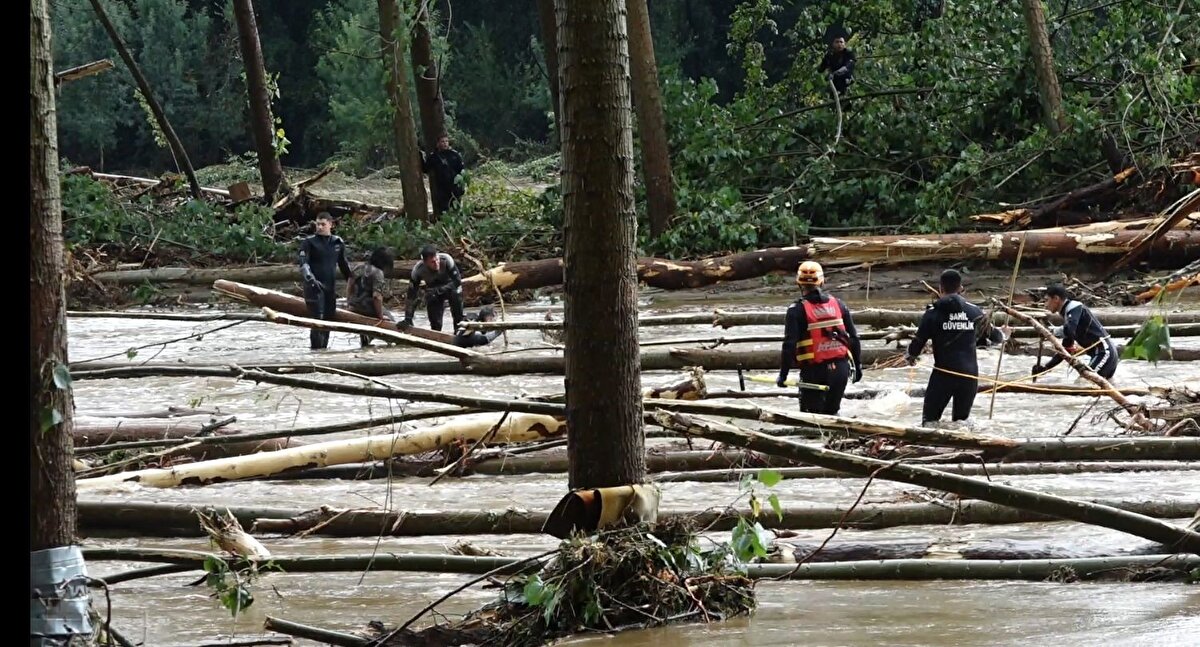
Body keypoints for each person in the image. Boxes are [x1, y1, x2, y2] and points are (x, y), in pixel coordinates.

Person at [904, 269, 1006, 425]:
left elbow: (917, 343)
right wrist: (1005, 334)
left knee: (929, 421)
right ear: (961, 288)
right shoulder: (974, 311)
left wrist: (911, 356)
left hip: (943, 376)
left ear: (940, 288)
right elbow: (995, 337)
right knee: (962, 422)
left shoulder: (932, 314)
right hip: (970, 376)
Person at [776, 261, 863, 415]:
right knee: (831, 416)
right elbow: (854, 338)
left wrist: (783, 375)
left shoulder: (796, 310)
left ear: (798, 282)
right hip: (841, 370)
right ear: (822, 281)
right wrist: (858, 366)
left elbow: (789, 345)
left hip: (813, 372)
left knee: (811, 419)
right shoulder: (839, 304)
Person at [1032, 284, 1119, 380]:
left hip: (1104, 353)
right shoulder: (1068, 315)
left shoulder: (1074, 307)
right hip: (1102, 355)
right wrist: (1046, 368)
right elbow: (1065, 350)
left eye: (1046, 300)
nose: (1045, 305)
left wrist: (1049, 331)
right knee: (1088, 387)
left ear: (1056, 299)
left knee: (1084, 383)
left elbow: (1069, 330)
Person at [298, 212, 352, 350]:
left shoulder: (338, 242)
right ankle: (315, 351)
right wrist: (310, 278)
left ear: (331, 225)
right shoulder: (309, 242)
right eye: (318, 224)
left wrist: (353, 281)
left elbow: (344, 265)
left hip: (330, 287)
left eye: (323, 224)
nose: (320, 227)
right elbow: (303, 263)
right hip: (314, 287)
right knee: (317, 320)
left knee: (328, 319)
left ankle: (323, 351)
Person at [401, 244, 464, 332]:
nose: (436, 263)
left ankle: (459, 326)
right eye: (432, 262)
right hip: (433, 293)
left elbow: (457, 281)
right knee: (435, 322)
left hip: (450, 288)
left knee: (456, 293)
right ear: (425, 262)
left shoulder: (446, 260)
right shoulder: (418, 270)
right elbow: (411, 295)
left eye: (437, 260)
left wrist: (440, 290)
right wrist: (408, 317)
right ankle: (436, 330)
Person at [347, 246, 396, 347]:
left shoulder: (358, 267)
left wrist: (349, 303)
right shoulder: (378, 273)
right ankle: (391, 343)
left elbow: (349, 285)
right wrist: (381, 316)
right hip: (368, 307)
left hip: (355, 305)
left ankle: (366, 340)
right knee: (392, 323)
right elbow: (376, 297)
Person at [421, 135, 466, 216]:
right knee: (444, 210)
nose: (445, 143)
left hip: (455, 187)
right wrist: (420, 156)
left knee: (456, 210)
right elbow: (425, 169)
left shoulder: (455, 155)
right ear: (438, 144)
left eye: (446, 141)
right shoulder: (434, 157)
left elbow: (462, 171)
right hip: (442, 189)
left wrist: (462, 186)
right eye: (442, 141)